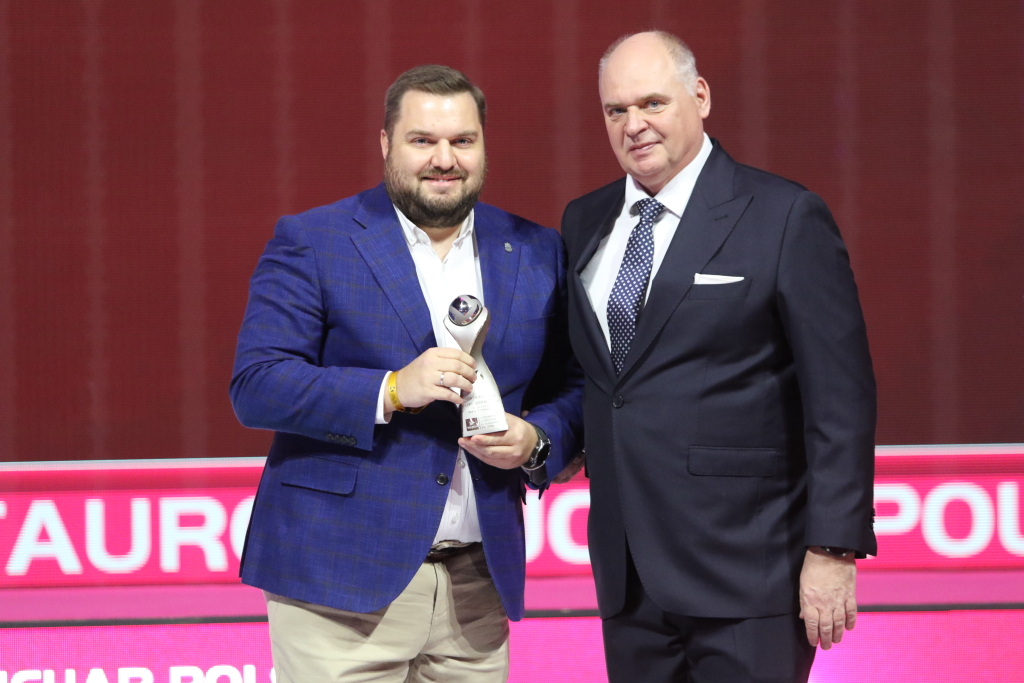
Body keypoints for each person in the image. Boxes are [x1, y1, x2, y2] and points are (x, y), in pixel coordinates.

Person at [230, 64, 582, 682]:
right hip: (338, 584)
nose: (444, 159)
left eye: (462, 141)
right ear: (386, 143)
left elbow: (575, 388)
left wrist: (537, 440)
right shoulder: (316, 240)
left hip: (478, 587)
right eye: (423, 140)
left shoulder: (535, 248)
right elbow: (257, 385)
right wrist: (390, 389)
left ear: (483, 146)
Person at [559, 31, 877, 682]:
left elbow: (839, 396)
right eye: (616, 110)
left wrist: (833, 547)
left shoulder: (784, 215)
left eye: (653, 102)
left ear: (700, 96)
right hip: (628, 578)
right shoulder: (583, 221)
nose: (634, 124)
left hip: (750, 574)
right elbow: (596, 379)